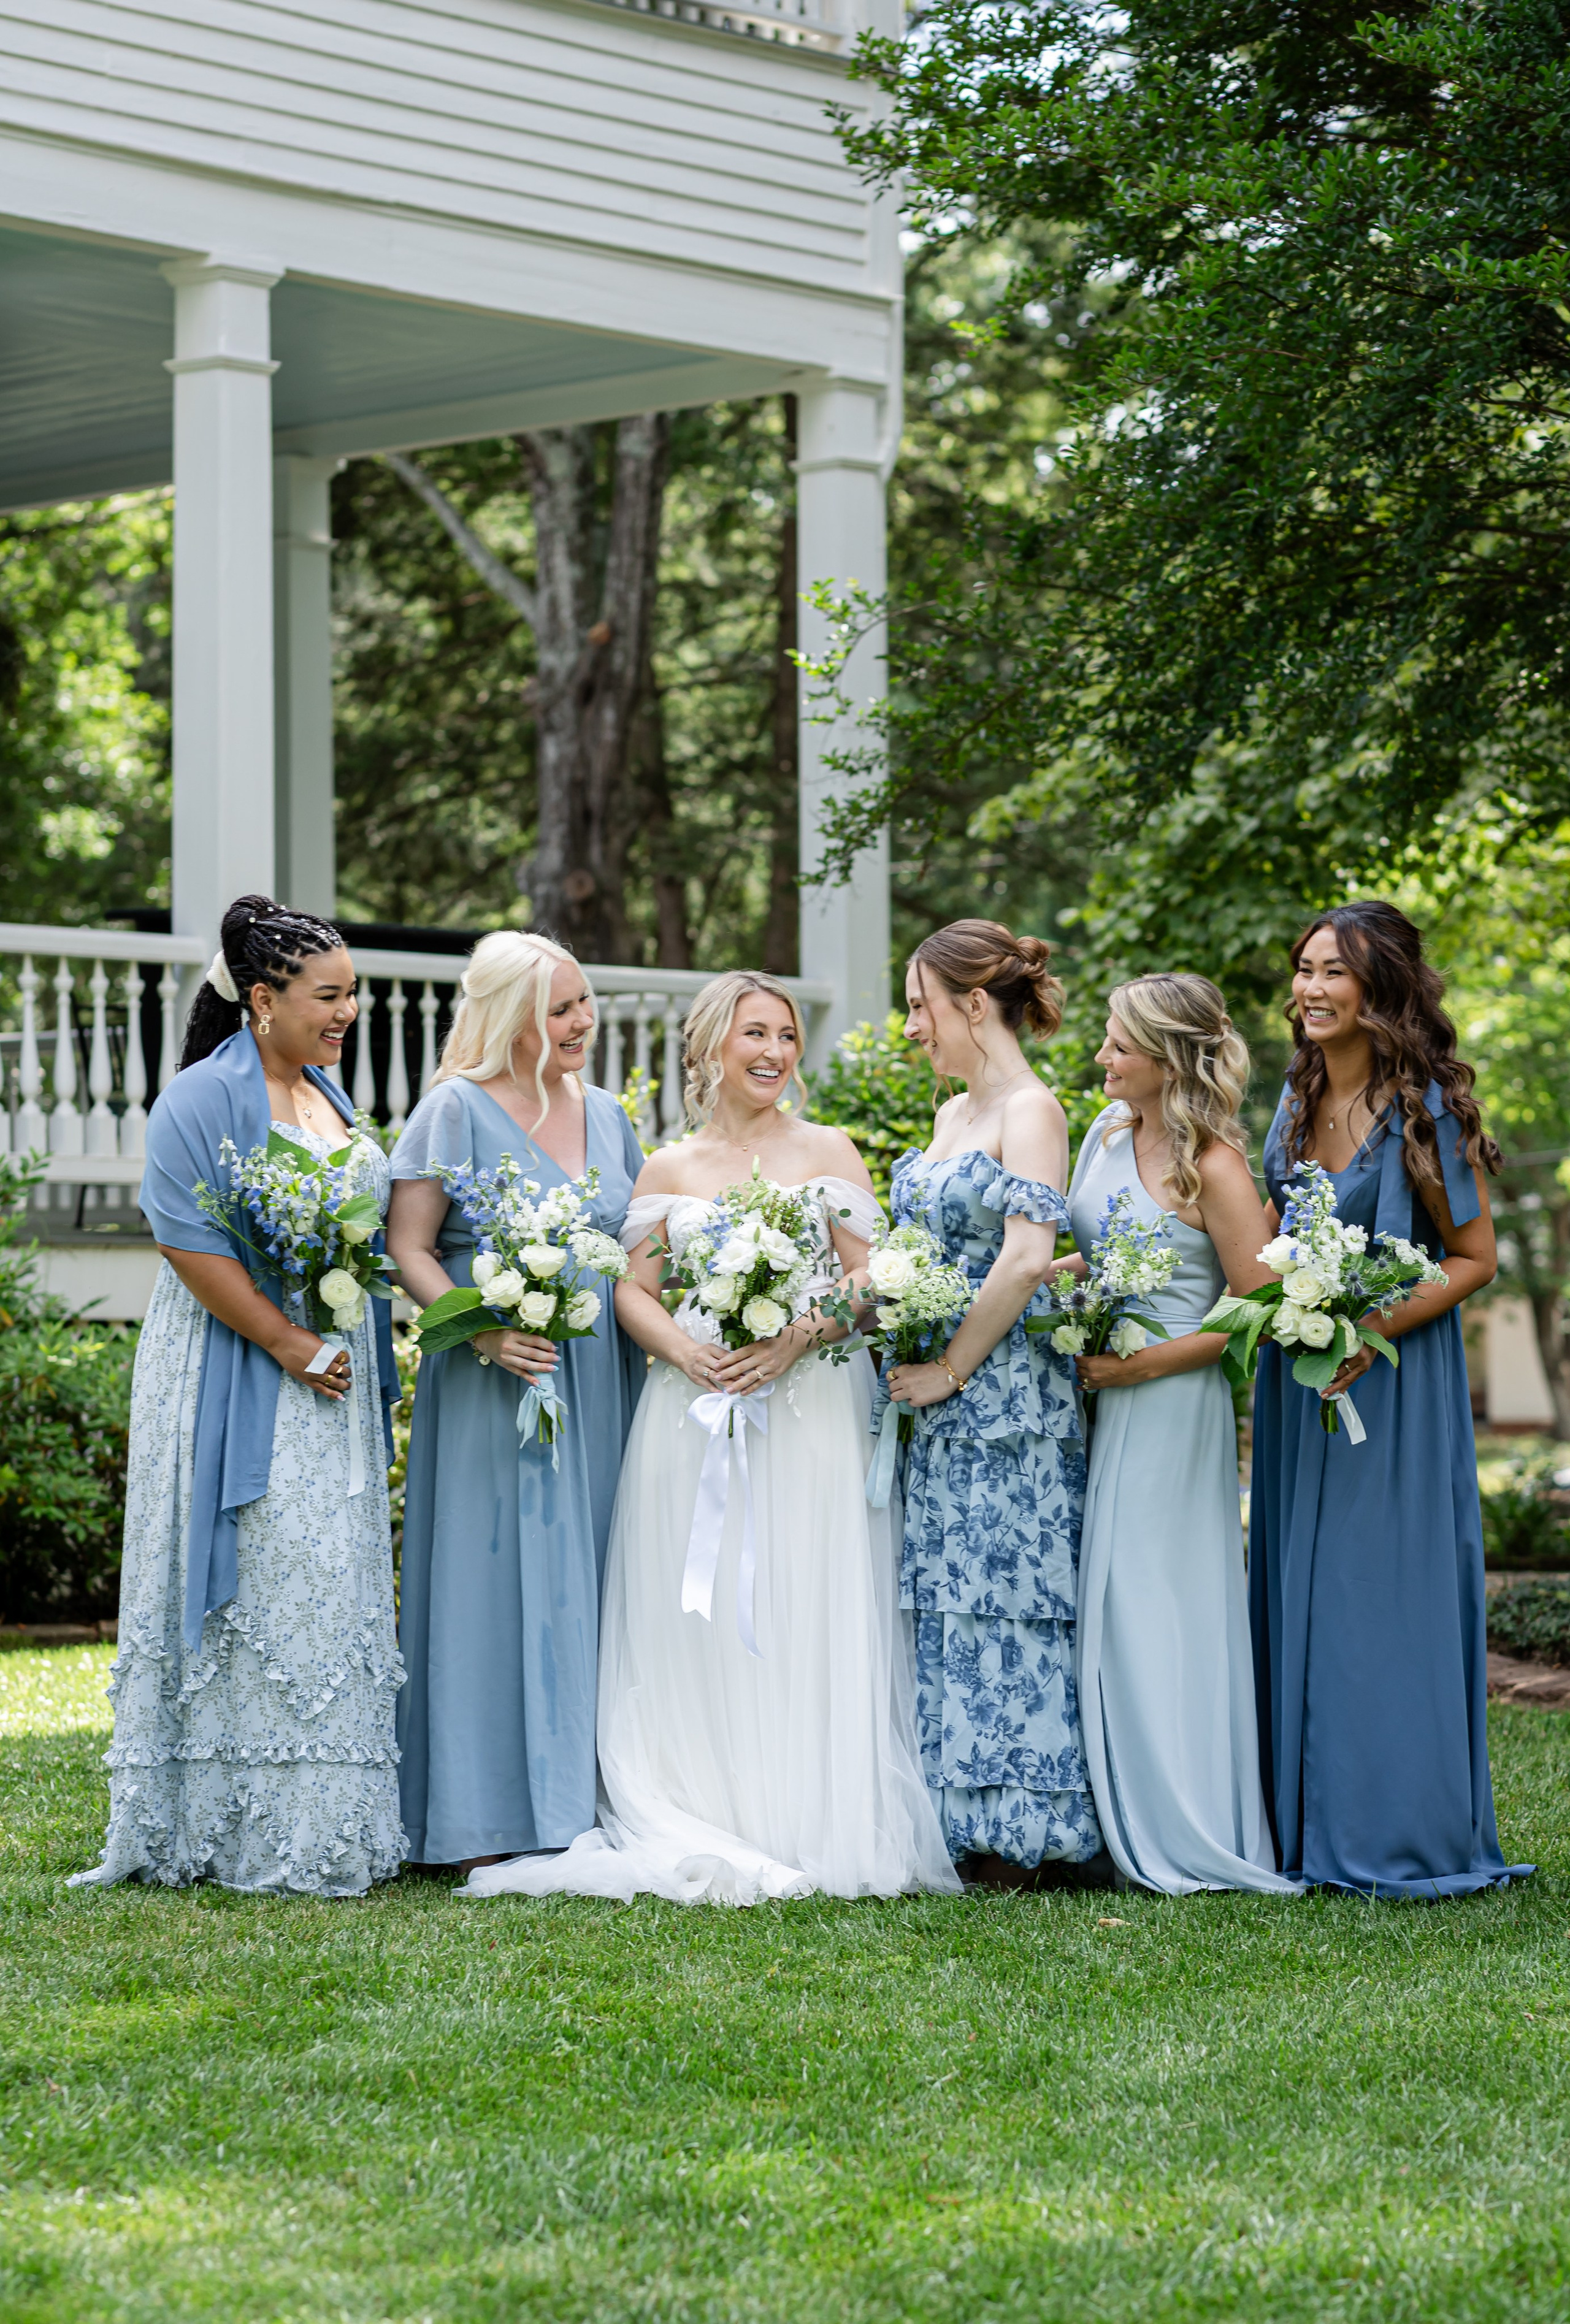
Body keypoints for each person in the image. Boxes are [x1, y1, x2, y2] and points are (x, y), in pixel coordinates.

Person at [462, 970, 959, 1904]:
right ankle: (702, 1799)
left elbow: (871, 1278)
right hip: (691, 1413)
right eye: (754, 1033)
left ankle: (806, 1812)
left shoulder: (828, 1149)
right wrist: (689, 1352)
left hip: (811, 1409)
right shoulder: (668, 1168)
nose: (775, 1052)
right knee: (699, 1609)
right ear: (709, 1048)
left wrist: (797, 1335)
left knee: (803, 1594)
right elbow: (632, 1291)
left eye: (786, 1035)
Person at [72, 896, 405, 1897]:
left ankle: (325, 1821)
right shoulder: (200, 1098)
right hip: (235, 1363)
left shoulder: (326, 1092)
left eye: (353, 993)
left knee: (321, 1570)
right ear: (263, 998)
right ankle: (222, 1821)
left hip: (330, 1373)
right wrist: (290, 1340)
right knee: (259, 1560)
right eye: (329, 995)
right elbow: (186, 1241)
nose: (348, 1012)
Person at [1250, 901, 1531, 1896]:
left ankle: (1393, 1830)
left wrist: (1371, 1328)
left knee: (1378, 1598)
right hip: (1301, 1383)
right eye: (1304, 969)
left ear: (1382, 987)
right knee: (1306, 1585)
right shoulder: (1293, 1101)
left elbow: (1475, 1256)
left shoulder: (1429, 1111)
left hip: (1395, 1383)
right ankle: (1298, 1827)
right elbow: (1264, 1236)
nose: (1310, 988)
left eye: (1333, 970)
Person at [387, 932, 645, 1877]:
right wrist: (482, 1329)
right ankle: (479, 1812)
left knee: (595, 1572)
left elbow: (640, 1247)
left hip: (599, 1377)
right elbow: (408, 1245)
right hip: (493, 1379)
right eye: (560, 1008)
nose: (583, 1022)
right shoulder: (454, 1109)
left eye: (584, 1002)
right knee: (488, 1580)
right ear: (511, 1017)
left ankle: (588, 1797)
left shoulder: (609, 1115)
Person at [1065, 975, 1298, 1895]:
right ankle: (1108, 1812)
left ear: (1168, 1059)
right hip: (1096, 1390)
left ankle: (1185, 1818)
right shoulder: (1104, 1134)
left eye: (1119, 1044)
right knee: (1104, 1596)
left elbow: (1260, 1307)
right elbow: (1097, 1250)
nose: (1103, 1056)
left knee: (1155, 1599)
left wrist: (1142, 1367)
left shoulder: (1217, 1166)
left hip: (1170, 1403)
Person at [887, 920, 1104, 1881]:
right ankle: (957, 1818)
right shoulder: (950, 1115)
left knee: (1009, 1597)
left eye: (920, 1006)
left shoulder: (1032, 1109)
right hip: (937, 1397)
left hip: (1006, 1392)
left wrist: (951, 1368)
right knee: (947, 1594)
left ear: (974, 1004)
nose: (910, 1027)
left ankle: (1024, 1829)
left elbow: (1024, 1257)